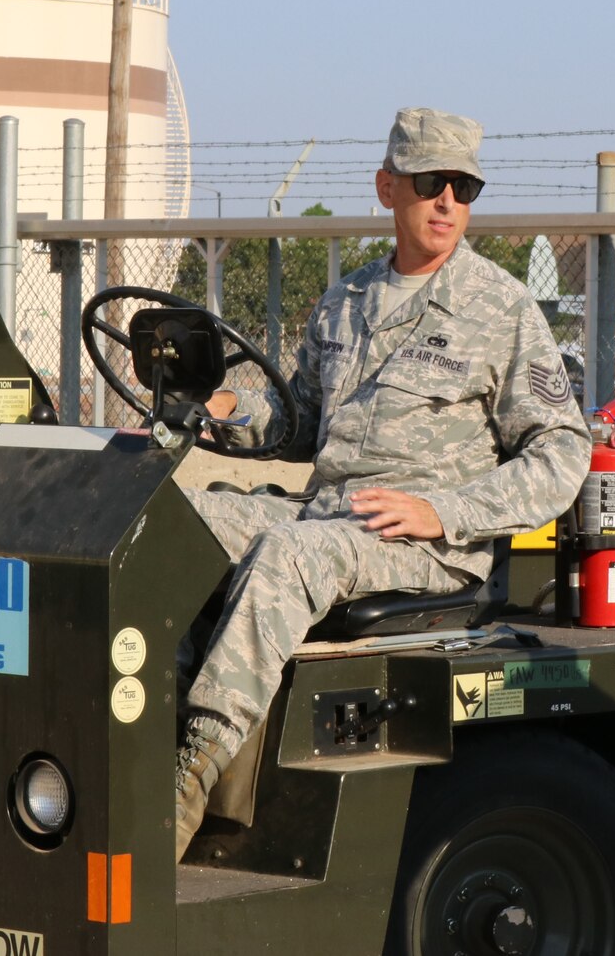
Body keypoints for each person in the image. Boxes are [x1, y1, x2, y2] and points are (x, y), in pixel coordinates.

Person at [173, 107, 588, 862]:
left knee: (289, 555)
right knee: (171, 521)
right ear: (388, 187)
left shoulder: (500, 307)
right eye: (432, 183)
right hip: (330, 512)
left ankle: (190, 777)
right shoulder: (346, 303)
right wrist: (229, 410)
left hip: (426, 543)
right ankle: (135, 719)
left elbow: (561, 451)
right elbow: (300, 420)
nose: (448, 202)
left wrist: (443, 511)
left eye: (465, 186)